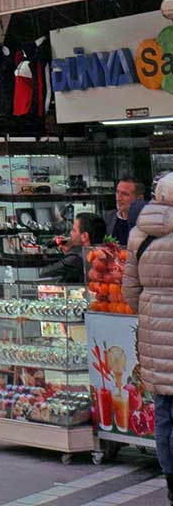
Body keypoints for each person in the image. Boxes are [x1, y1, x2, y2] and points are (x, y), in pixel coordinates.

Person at [123, 173, 173, 505]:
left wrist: (153, 309)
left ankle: (171, 479)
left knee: (165, 413)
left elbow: (129, 292)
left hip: (155, 337)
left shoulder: (138, 235)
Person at [41, 213, 107, 283]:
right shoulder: (105, 254)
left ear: (84, 236)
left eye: (73, 230)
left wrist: (70, 253)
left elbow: (44, 272)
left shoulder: (75, 258)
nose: (70, 233)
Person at [106, 178, 147, 247]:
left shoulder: (147, 222)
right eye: (117, 192)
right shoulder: (107, 218)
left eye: (125, 194)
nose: (119, 198)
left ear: (139, 198)